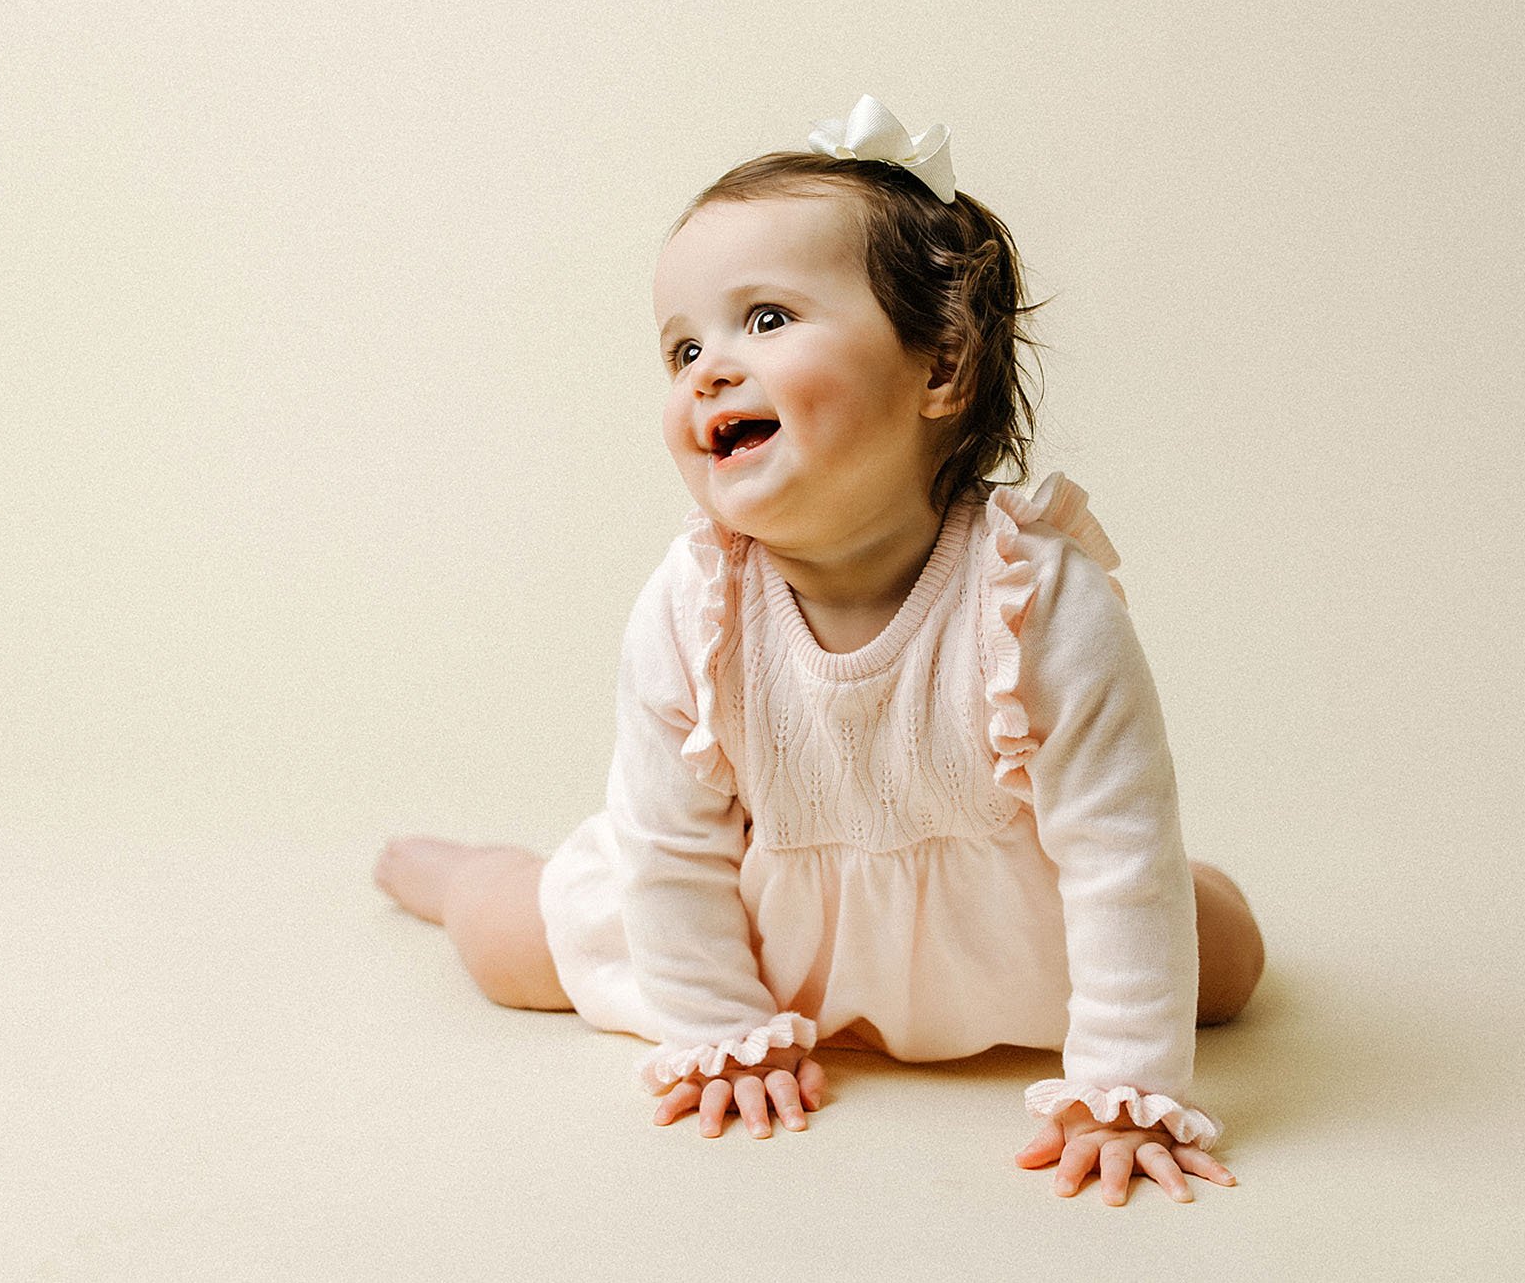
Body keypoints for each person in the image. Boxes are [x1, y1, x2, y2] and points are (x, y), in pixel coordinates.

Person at [375, 96, 1266, 1207]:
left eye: (764, 319)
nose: (705, 370)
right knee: (514, 945)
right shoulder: (691, 608)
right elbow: (668, 845)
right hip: (757, 933)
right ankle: (465, 872)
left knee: (1221, 959)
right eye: (681, 346)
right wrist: (722, 1027)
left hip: (1004, 940)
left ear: (940, 368)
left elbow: (1113, 850)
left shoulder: (1037, 600)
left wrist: (1121, 1086)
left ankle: (1190, 895)